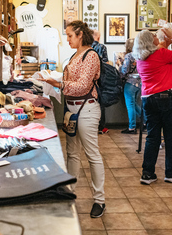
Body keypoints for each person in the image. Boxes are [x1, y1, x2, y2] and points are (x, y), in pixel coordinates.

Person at [39, 21, 106, 218]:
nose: (67, 39)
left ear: (80, 35)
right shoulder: (74, 55)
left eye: (69, 36)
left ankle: (99, 200)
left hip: (87, 109)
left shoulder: (91, 55)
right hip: (71, 109)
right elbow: (73, 81)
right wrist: (56, 78)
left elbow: (83, 86)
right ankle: (69, 191)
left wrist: (58, 83)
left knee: (92, 154)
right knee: (72, 153)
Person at [133, 29, 172, 184]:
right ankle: (170, 173)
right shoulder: (162, 54)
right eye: (153, 36)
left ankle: (147, 173)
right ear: (150, 41)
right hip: (166, 97)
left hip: (148, 99)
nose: (156, 37)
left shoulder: (140, 59)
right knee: (170, 136)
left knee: (152, 136)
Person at [119, 38, 142, 134]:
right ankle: (145, 121)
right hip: (139, 83)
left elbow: (125, 70)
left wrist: (120, 67)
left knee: (130, 105)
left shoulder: (129, 56)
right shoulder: (140, 55)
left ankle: (132, 127)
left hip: (130, 83)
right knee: (134, 104)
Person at [91, 29, 109, 134]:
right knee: (100, 103)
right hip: (100, 78)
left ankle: (91, 127)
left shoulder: (85, 48)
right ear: (98, 37)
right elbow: (105, 63)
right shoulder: (102, 47)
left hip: (88, 79)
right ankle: (101, 127)